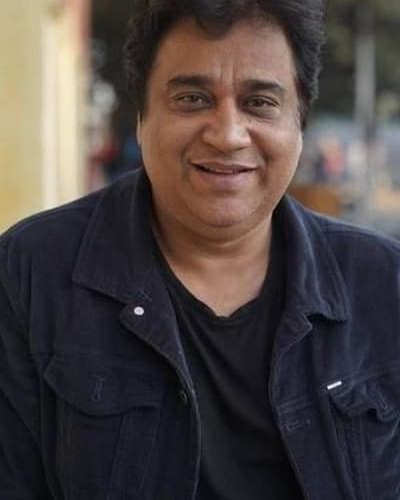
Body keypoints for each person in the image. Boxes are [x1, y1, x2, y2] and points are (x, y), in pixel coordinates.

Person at [1, 1, 399, 498]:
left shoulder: (385, 286)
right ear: (141, 118)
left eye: (260, 102)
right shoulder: (28, 275)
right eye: (192, 99)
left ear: (299, 125)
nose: (227, 135)